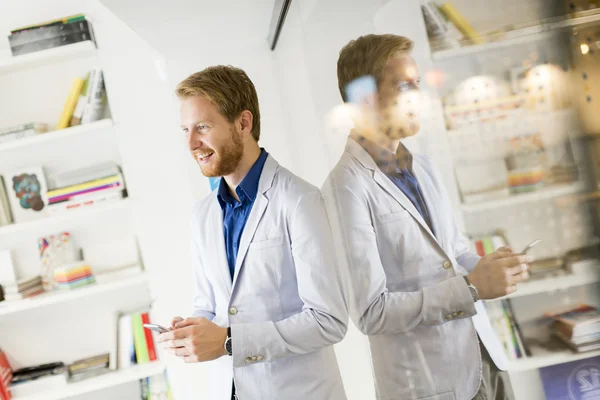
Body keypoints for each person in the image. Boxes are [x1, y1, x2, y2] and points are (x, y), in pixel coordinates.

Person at [321, 34, 531, 400]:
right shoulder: (345, 188)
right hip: (430, 384)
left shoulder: (424, 167)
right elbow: (372, 311)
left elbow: (455, 253)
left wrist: (492, 267)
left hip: (485, 362)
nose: (417, 97)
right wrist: (472, 287)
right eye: (404, 86)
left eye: (417, 85)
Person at [157, 65, 348, 400]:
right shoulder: (202, 214)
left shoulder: (299, 200)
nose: (191, 143)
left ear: (243, 124)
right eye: (185, 129)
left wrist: (230, 340)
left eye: (202, 127)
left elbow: (327, 320)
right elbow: (211, 305)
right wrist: (191, 329)